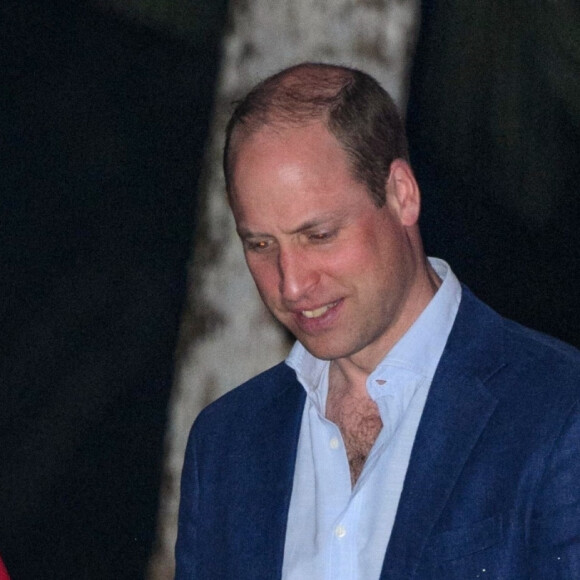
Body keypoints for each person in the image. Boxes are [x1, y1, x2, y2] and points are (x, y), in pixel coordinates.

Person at [175, 63, 580, 579]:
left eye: (318, 235)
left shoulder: (558, 410)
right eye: (260, 244)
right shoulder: (227, 442)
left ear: (401, 195)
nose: (292, 283)